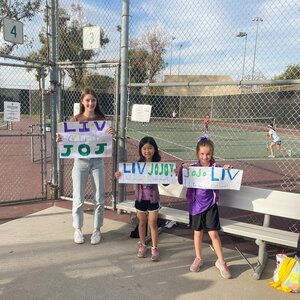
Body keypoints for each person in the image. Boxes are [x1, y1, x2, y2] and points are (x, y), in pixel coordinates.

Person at [56, 87, 114, 245]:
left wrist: (110, 133)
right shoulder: (75, 120)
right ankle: (78, 229)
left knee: (99, 198)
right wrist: (61, 138)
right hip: (80, 161)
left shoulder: (102, 119)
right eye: (87, 100)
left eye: (93, 100)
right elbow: (68, 138)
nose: (90, 103)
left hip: (97, 162)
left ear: (96, 102)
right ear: (82, 102)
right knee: (78, 197)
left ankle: (97, 229)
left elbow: (106, 140)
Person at [178, 135, 232, 279]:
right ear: (198, 154)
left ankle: (221, 262)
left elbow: (225, 178)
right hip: (196, 205)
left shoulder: (215, 168)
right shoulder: (193, 168)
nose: (205, 156)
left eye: (208, 154)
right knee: (197, 232)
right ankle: (198, 257)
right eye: (202, 154)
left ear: (212, 154)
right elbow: (181, 179)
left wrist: (226, 170)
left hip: (210, 206)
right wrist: (182, 168)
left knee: (213, 233)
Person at [115, 136, 161, 261]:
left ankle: (154, 247)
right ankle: (143, 245)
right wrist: (120, 174)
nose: (147, 151)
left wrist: (170, 175)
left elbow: (165, 182)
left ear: (155, 149)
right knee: (142, 223)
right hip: (140, 199)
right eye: (144, 148)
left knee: (152, 223)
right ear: (140, 150)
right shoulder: (136, 165)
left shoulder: (158, 165)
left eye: (150, 148)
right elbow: (127, 175)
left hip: (153, 199)